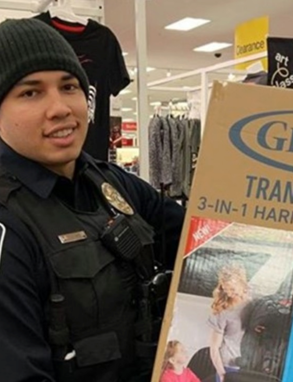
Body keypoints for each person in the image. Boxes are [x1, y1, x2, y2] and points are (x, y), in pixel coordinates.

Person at [0, 18, 184, 382]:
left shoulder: (114, 184)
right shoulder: (10, 225)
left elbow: (200, 242)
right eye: (30, 92)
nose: (60, 108)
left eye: (69, 87)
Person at [208, 264, 251, 382]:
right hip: (229, 365)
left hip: (250, 365)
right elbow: (214, 347)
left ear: (242, 284)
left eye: (232, 289)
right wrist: (222, 374)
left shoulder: (254, 304)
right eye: (226, 290)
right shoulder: (222, 311)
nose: (230, 294)